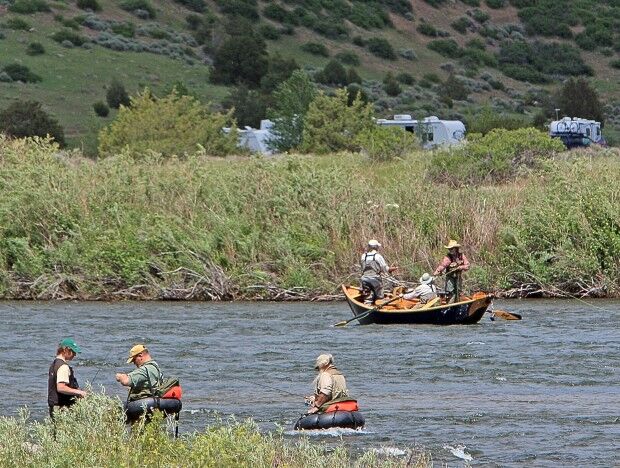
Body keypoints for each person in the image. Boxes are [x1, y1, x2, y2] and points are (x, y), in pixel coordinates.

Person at [48, 338, 87, 419]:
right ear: (66, 350)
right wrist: (79, 392)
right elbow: (61, 387)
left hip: (54, 407)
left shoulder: (54, 364)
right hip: (62, 408)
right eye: (73, 352)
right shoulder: (63, 367)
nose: (75, 355)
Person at [360, 239, 397, 304]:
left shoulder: (363, 256)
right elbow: (386, 269)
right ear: (376, 247)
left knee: (367, 296)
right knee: (379, 296)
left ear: (369, 247)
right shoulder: (378, 256)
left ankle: (367, 304)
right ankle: (379, 305)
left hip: (364, 279)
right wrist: (393, 269)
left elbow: (363, 267)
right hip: (375, 279)